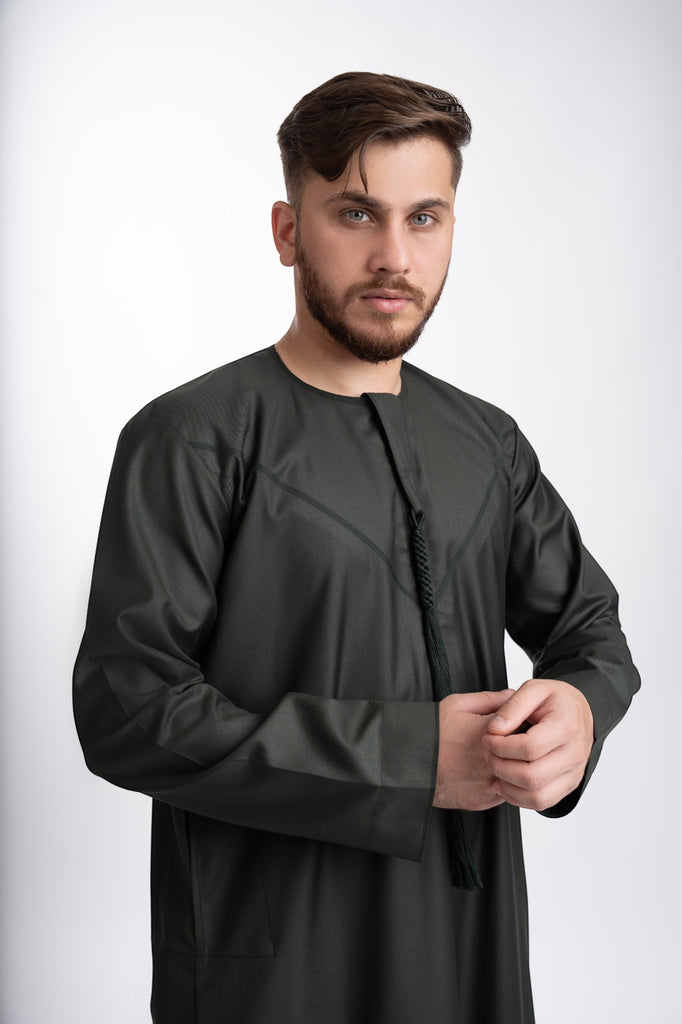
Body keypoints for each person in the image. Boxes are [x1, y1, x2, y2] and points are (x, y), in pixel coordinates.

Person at [73, 71, 640, 1024]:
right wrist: (410, 758)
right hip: (273, 966)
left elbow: (591, 631)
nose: (394, 257)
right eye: (355, 213)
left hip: (470, 950)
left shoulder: (487, 444)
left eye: (425, 218)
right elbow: (126, 708)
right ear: (288, 231)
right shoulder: (193, 438)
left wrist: (580, 713)